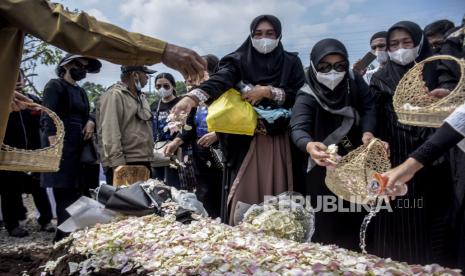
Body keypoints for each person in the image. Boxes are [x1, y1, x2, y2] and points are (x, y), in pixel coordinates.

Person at [0, 0, 207, 148]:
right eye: (146, 74)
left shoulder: (134, 97)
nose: (149, 81)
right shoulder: (112, 95)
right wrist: (160, 50)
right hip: (68, 151)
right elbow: (68, 27)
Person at [171, 15, 306, 224]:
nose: (264, 39)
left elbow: (300, 95)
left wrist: (268, 92)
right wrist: (192, 97)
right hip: (244, 142)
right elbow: (220, 80)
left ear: (279, 35)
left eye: (270, 34)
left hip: (280, 141)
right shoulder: (238, 60)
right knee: (243, 193)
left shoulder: (291, 62)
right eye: (258, 34)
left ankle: (281, 236)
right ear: (251, 35)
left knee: (279, 193)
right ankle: (243, 238)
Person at [368, 21, 455, 266]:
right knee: (400, 220)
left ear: (419, 43)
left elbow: (454, 103)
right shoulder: (380, 78)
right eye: (394, 44)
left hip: (436, 156)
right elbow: (372, 114)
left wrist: (443, 97)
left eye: (407, 42)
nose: (400, 48)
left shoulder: (437, 68)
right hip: (396, 155)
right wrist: (370, 134)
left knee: (434, 222)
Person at [289, 38, 377, 250]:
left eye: (339, 66)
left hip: (358, 165)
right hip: (324, 167)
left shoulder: (354, 81)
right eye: (324, 67)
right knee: (328, 225)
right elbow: (298, 127)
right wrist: (310, 146)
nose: (333, 72)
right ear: (314, 66)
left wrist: (368, 132)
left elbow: (369, 107)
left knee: (360, 220)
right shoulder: (307, 93)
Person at [41, 54, 101, 242]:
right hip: (60, 145)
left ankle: (77, 235)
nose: (82, 68)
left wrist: (91, 122)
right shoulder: (54, 86)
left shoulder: (81, 92)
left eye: (84, 66)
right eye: (78, 65)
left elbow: (88, 114)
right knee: (65, 194)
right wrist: (54, 147)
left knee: (80, 192)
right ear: (66, 65)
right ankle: (63, 239)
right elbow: (48, 116)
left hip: (80, 147)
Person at [164, 54, 223, 218]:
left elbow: (240, 121)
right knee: (205, 195)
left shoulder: (226, 94)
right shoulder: (196, 98)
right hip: (201, 158)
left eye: (200, 73)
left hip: (223, 156)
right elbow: (189, 126)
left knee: (223, 195)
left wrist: (218, 134)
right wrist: (177, 141)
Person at [0, 71, 54, 237]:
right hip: (10, 154)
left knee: (39, 187)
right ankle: (12, 225)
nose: (17, 81)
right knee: (9, 190)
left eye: (19, 77)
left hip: (33, 154)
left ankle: (46, 220)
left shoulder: (33, 100)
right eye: (12, 77)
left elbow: (45, 122)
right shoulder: (4, 102)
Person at [97, 66, 156, 185]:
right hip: (124, 163)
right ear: (135, 75)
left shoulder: (140, 97)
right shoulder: (114, 95)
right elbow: (110, 132)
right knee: (124, 202)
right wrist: (118, 164)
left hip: (143, 161)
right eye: (146, 75)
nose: (147, 78)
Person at [150, 72, 182, 188]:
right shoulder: (154, 105)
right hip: (158, 149)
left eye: (166, 86)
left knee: (174, 185)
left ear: (173, 86)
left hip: (177, 150)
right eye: (158, 86)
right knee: (156, 185)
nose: (162, 89)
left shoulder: (181, 103)